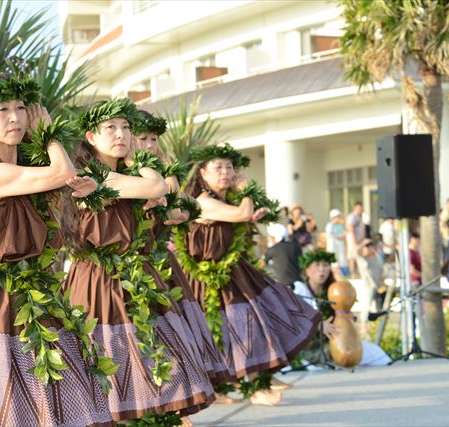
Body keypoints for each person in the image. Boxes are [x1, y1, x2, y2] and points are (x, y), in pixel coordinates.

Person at [0, 73, 115, 427]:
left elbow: (64, 183)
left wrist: (85, 187)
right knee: (2, 398)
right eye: (3, 109)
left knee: (52, 392)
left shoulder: (19, 170)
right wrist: (47, 132)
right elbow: (62, 172)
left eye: (21, 108)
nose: (15, 117)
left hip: (33, 292)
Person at [60, 99, 214, 424]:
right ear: (91, 137)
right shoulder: (90, 176)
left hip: (136, 275)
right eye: (111, 128)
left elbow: (176, 205)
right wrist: (139, 160)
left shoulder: (124, 177)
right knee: (109, 357)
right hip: (98, 279)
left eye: (126, 128)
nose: (121, 134)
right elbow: (156, 186)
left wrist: (141, 169)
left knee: (155, 353)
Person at [176, 143, 320, 406]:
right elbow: (242, 213)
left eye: (229, 167)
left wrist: (254, 214)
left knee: (256, 319)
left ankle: (249, 382)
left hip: (231, 271)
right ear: (203, 174)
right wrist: (246, 193)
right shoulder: (203, 201)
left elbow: (244, 216)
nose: (225, 172)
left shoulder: (225, 200)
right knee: (229, 330)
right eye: (218, 167)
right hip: (205, 278)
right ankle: (250, 387)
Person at [133, 109, 231, 388]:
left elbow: (177, 214)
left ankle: (174, 396)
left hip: (160, 262)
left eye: (154, 139)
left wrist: (168, 184)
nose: (149, 145)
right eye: (142, 138)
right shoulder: (121, 173)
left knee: (174, 335)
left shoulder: (164, 174)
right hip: (131, 264)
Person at [293, 249, 391, 367]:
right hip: (312, 349)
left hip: (337, 340)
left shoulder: (334, 291)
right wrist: (318, 326)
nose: (321, 269)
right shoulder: (300, 290)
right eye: (317, 265)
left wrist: (347, 316)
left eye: (325, 265)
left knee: (377, 355)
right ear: (308, 270)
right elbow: (293, 320)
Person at [325, 209, 348, 276]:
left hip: (340, 247)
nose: (338, 218)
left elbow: (343, 235)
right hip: (333, 247)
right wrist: (338, 237)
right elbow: (331, 234)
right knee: (334, 262)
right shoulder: (329, 225)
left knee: (342, 260)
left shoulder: (340, 226)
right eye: (337, 217)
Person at [346, 202, 365, 275]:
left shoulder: (360, 216)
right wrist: (354, 242)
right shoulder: (353, 216)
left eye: (361, 208)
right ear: (355, 207)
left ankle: (357, 273)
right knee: (352, 256)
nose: (360, 209)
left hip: (359, 241)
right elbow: (351, 229)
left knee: (358, 255)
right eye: (359, 208)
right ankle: (352, 273)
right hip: (353, 240)